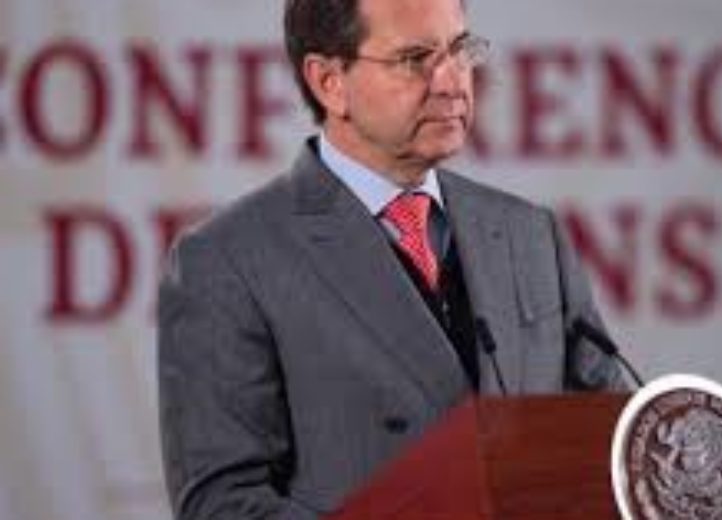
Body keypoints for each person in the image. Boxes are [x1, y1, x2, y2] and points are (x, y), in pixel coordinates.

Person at [157, 0, 628, 518]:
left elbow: (613, 444)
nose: (452, 82)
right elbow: (221, 503)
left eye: (459, 50)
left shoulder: (530, 234)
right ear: (329, 83)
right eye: (415, 59)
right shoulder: (228, 260)